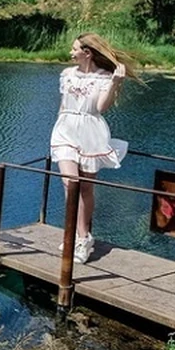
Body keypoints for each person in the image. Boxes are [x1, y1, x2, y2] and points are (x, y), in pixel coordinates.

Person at [50, 33, 141, 264]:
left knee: (86, 188)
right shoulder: (66, 75)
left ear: (87, 53)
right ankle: (77, 235)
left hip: (90, 131)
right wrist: (58, 125)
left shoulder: (104, 78)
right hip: (65, 130)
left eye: (74, 49)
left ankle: (83, 238)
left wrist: (116, 83)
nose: (70, 53)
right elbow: (63, 105)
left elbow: (100, 107)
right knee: (71, 182)